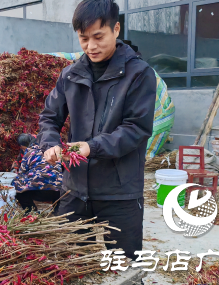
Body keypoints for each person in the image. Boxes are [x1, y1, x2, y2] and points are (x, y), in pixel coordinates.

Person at [38, 0, 156, 261]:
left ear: (116, 28)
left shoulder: (139, 74)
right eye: (83, 39)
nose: (90, 46)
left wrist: (92, 147)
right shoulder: (69, 75)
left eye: (98, 37)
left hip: (120, 192)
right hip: (74, 189)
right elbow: (49, 117)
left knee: (125, 266)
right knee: (70, 264)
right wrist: (50, 144)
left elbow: (136, 128)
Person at [12, 134, 62, 213]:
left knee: (16, 183)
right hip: (58, 191)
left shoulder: (29, 152)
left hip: (37, 191)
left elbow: (22, 173)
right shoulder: (53, 150)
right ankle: (57, 209)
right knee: (58, 179)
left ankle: (30, 210)